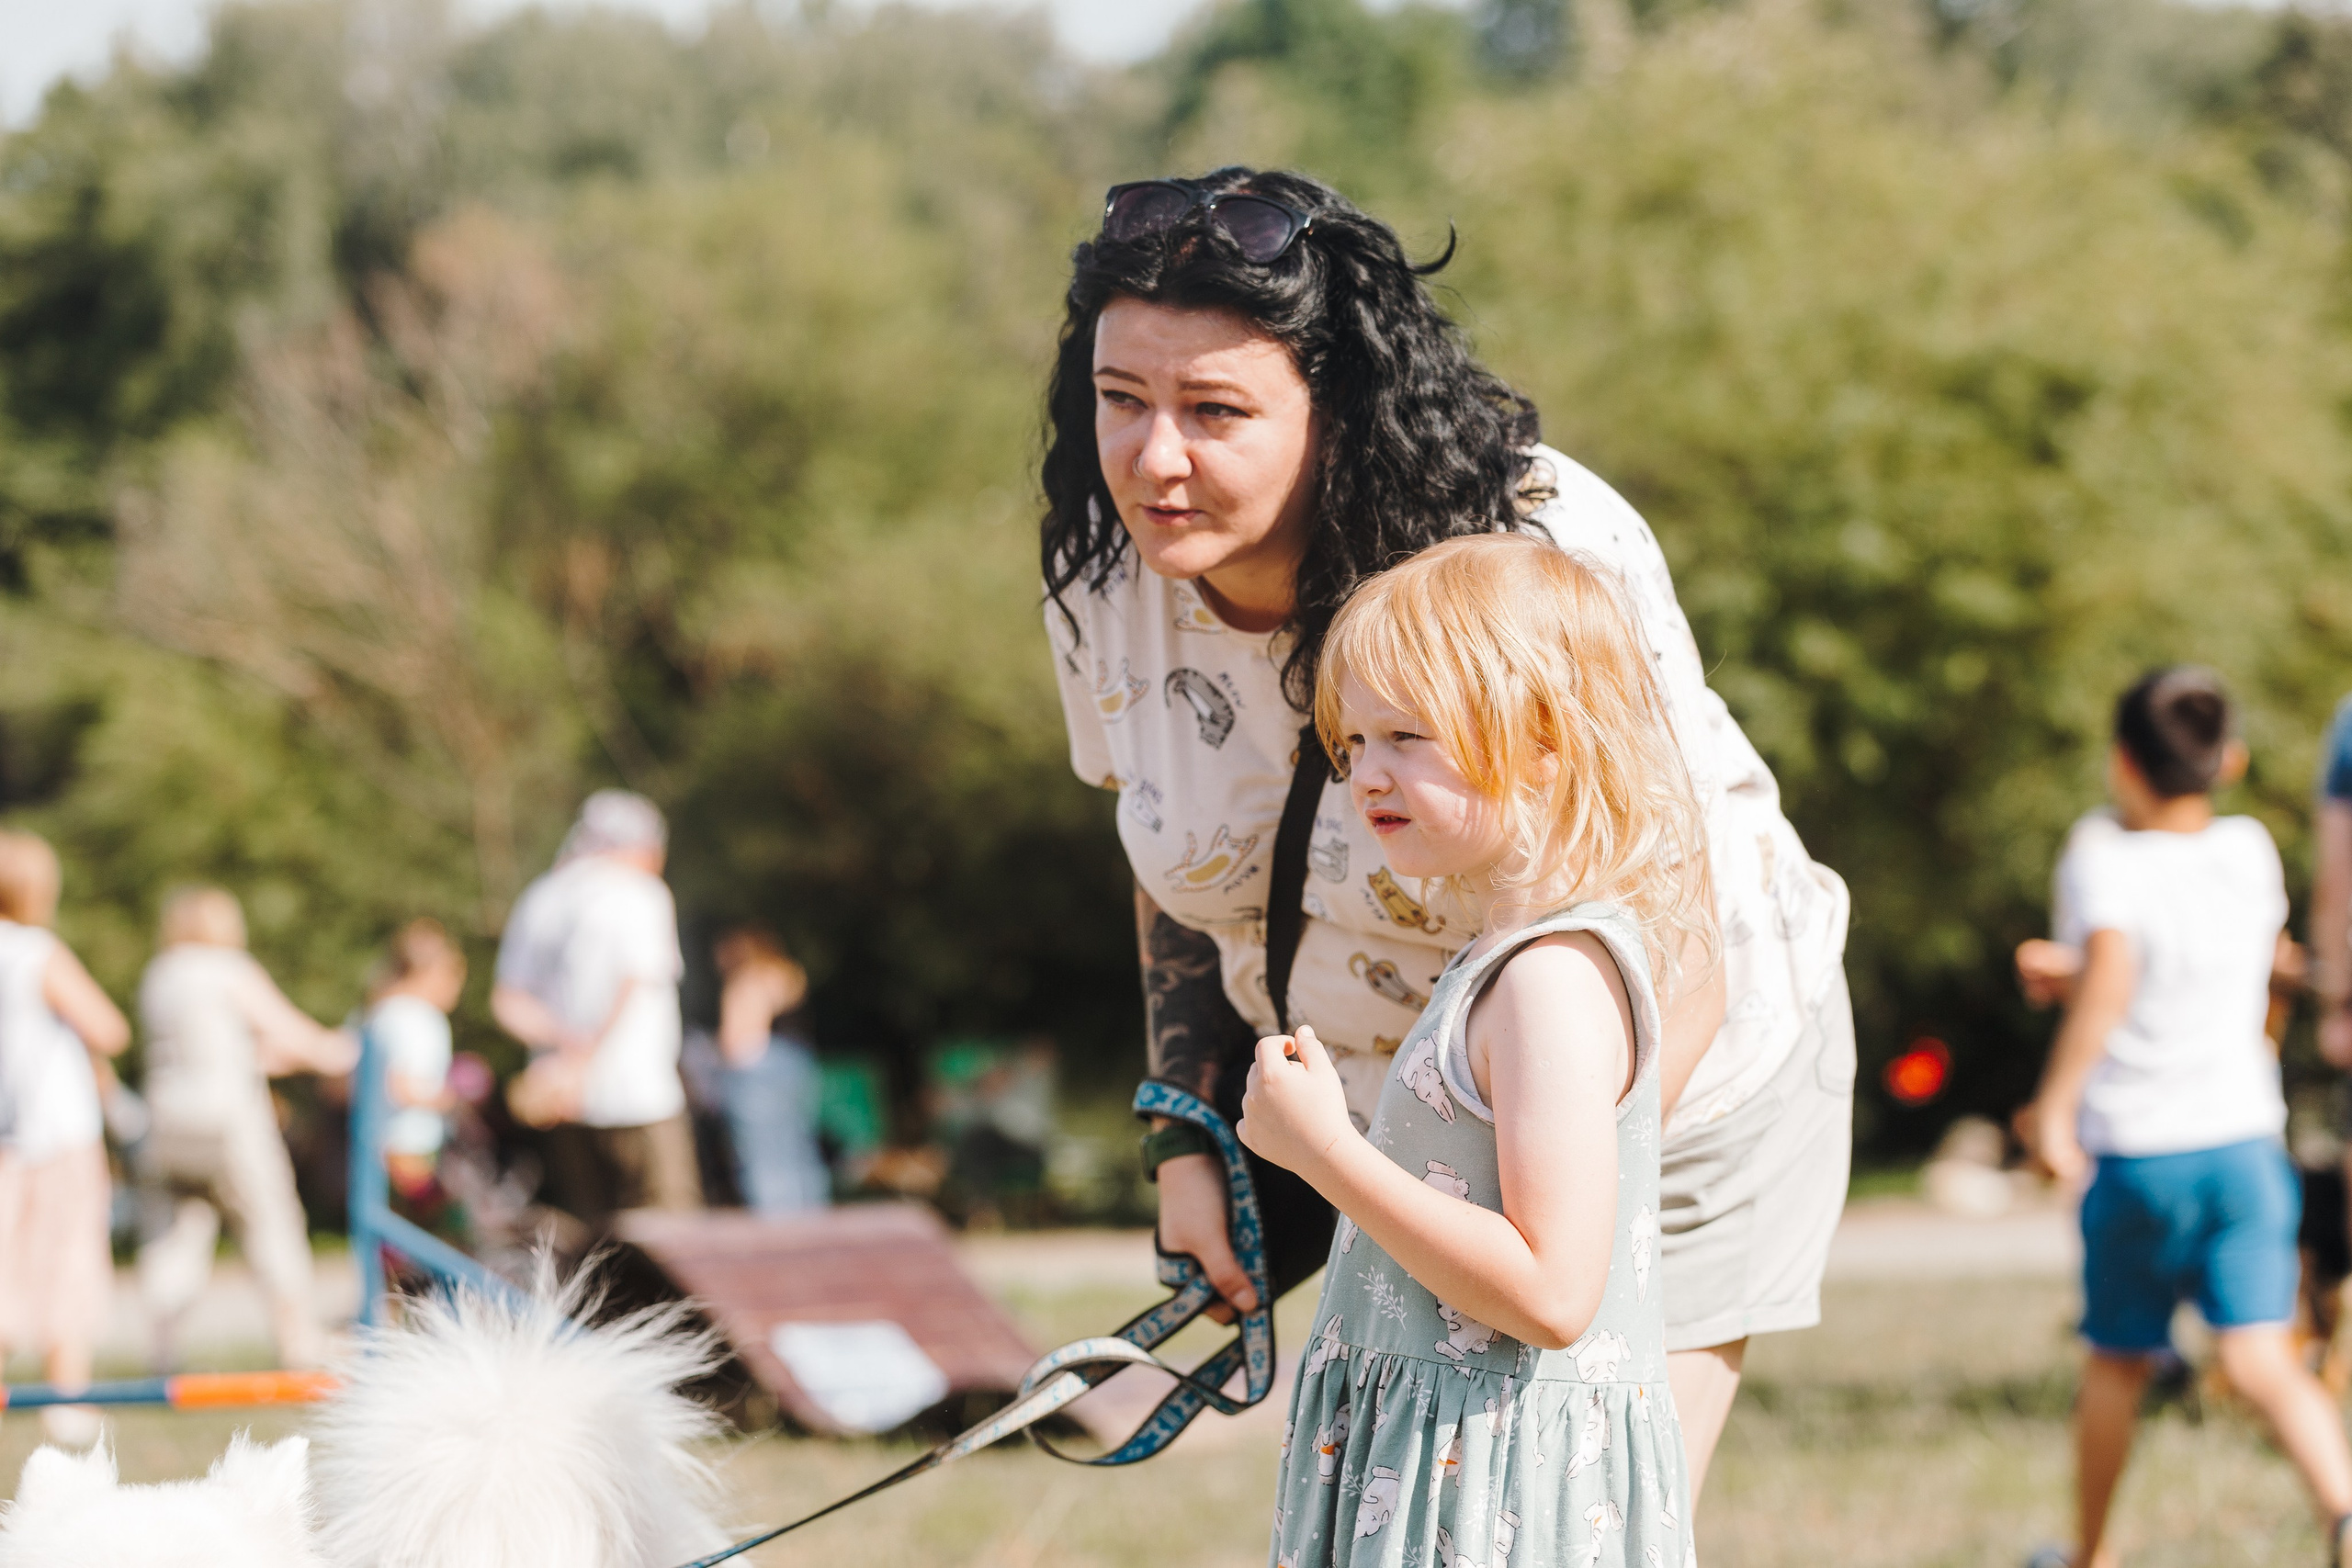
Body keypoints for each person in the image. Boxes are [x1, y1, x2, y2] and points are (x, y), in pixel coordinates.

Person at [1041, 166, 1851, 1491]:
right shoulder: (1103, 571)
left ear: (1336, 411)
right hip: (1390, 1141)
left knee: (1567, 1512)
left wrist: (1527, 1237)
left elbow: (1670, 930)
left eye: (1216, 410)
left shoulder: (1534, 543)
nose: (1154, 456)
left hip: (1663, 1105)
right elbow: (1177, 858)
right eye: (1120, 400)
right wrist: (1190, 1133)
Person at [1239, 535, 1707, 1565]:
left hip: (1491, 1494)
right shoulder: (1498, 962)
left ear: (1546, 737)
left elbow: (1549, 1293)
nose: (1368, 773)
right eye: (1353, 742)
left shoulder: (1548, 984)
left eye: (1407, 734)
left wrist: (1324, 1154)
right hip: (1447, 1465)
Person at [2015, 668, 2352, 1568]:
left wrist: (2051, 1110)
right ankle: (2345, 1510)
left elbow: (2119, 976)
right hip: (2244, 1144)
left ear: (2121, 761)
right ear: (2229, 761)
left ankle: (2089, 1555)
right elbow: (2225, 967)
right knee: (2260, 1359)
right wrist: (2080, 966)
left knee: (2118, 1358)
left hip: (2142, 1152)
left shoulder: (2099, 852)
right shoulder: (2247, 852)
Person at [136, 885, 356, 1371]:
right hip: (228, 1121)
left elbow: (203, 1047)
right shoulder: (226, 969)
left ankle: (163, 1351)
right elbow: (295, 1033)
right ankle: (298, 1341)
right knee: (271, 1223)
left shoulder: (161, 974)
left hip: (167, 1123)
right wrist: (345, 1048)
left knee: (175, 1238)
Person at [492, 789, 701, 1229]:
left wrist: (564, 1052)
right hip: (639, 1098)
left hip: (562, 1105)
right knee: (671, 1243)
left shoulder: (542, 897)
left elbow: (508, 1002)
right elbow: (634, 984)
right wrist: (585, 1060)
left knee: (591, 1248)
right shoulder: (641, 893)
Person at [0, 829, 131, 1446]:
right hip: (56, 1133)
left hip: (7, 1137)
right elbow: (109, 1027)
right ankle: (65, 1396)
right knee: (68, 1257)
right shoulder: (34, 950)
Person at [711, 927, 830, 1216]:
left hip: (751, 1071)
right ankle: (809, 1212)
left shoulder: (743, 983)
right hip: (786, 1065)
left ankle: (775, 1218)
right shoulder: (780, 977)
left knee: (760, 1153)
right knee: (794, 1144)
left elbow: (733, 1040)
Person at [362, 919, 465, 1202]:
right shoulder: (420, 1018)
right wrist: (453, 1100)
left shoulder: (377, 1012)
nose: (457, 988)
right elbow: (402, 1087)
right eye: (454, 976)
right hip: (411, 1147)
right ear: (431, 973)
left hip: (373, 1143)